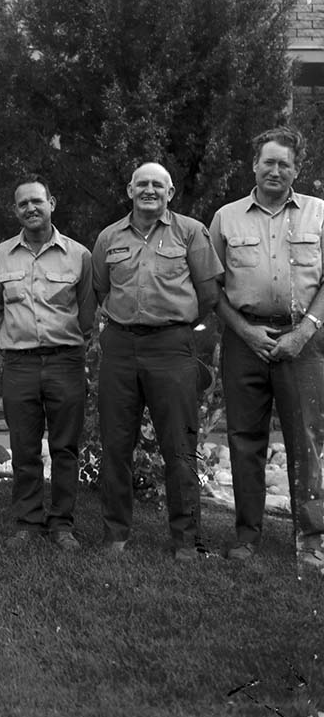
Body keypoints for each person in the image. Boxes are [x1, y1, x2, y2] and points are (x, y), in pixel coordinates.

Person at [91, 162, 221, 559]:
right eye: (142, 184)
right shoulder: (109, 237)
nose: (149, 190)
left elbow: (209, 295)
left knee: (179, 446)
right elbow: (100, 289)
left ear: (170, 192)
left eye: (157, 185)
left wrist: (173, 328)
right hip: (120, 349)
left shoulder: (191, 232)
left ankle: (186, 540)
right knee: (115, 444)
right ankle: (116, 535)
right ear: (129, 190)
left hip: (171, 348)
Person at [210, 126, 324, 573]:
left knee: (307, 441)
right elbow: (213, 288)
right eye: (268, 162)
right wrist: (244, 331)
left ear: (297, 169)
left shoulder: (319, 214)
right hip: (245, 343)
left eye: (285, 163)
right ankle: (247, 535)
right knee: (244, 439)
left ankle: (311, 540)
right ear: (254, 164)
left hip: (305, 342)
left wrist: (304, 332)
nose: (275, 170)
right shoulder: (227, 218)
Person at [0, 176, 95, 552]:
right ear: (14, 211)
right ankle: (28, 521)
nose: (30, 209)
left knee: (65, 447)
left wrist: (65, 342)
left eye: (37, 201)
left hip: (65, 362)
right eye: (22, 204)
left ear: (52, 202)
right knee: (24, 446)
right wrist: (14, 341)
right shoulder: (0, 256)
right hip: (20, 366)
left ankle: (62, 523)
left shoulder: (79, 255)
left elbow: (86, 314)